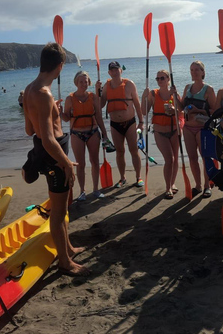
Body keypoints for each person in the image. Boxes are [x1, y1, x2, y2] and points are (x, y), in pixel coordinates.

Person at [22, 42, 86, 276]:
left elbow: (30, 130)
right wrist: (66, 163)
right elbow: (48, 138)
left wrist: (52, 111)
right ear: (59, 66)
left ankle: (67, 248)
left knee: (63, 205)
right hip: (54, 154)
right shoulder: (44, 94)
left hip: (49, 152)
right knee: (59, 211)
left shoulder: (30, 90)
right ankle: (64, 262)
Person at [61, 71, 108, 201]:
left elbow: (98, 115)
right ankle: (82, 191)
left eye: (86, 81)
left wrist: (104, 133)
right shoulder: (70, 99)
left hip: (93, 131)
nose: (83, 84)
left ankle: (96, 189)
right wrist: (59, 111)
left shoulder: (93, 97)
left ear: (89, 83)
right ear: (76, 82)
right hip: (77, 133)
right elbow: (66, 118)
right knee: (80, 164)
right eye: (81, 81)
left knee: (95, 161)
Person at [98, 61, 144, 188]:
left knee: (134, 150)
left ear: (120, 70)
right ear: (109, 72)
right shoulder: (106, 86)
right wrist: (98, 92)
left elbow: (137, 104)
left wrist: (141, 122)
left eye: (116, 69)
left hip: (130, 123)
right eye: (111, 70)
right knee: (120, 151)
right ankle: (122, 178)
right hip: (115, 124)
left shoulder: (129, 84)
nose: (114, 72)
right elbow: (101, 105)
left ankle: (138, 177)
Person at [177, 61, 217, 197]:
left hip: (203, 128)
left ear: (203, 72)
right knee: (192, 158)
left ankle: (207, 186)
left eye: (197, 70)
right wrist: (174, 95)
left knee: (205, 157)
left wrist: (198, 110)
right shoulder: (187, 87)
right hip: (188, 128)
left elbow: (215, 111)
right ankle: (198, 185)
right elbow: (181, 107)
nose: (194, 72)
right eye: (192, 70)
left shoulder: (208, 89)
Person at [142, 70, 181, 198]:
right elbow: (144, 111)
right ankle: (168, 187)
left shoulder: (174, 94)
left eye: (162, 78)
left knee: (175, 159)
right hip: (159, 131)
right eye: (157, 78)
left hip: (174, 130)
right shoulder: (153, 94)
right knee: (169, 159)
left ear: (168, 79)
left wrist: (174, 109)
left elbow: (182, 112)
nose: (159, 81)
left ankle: (173, 183)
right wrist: (143, 97)